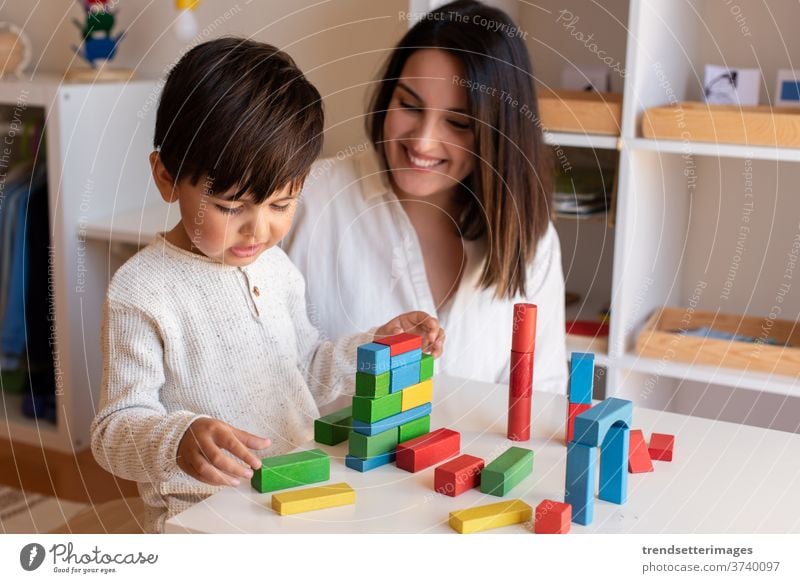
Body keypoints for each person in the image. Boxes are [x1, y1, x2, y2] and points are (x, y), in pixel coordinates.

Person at [90, 38, 444, 533]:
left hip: (297, 497)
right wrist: (177, 438)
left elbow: (303, 371)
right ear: (167, 178)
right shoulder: (142, 291)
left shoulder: (276, 269)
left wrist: (376, 345)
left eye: (281, 204)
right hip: (203, 521)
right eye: (231, 206)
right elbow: (113, 430)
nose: (258, 230)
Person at [284, 0, 566, 391]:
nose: (423, 140)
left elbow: (541, 392)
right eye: (409, 105)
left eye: (458, 122)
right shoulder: (304, 197)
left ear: (500, 135)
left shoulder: (532, 240)